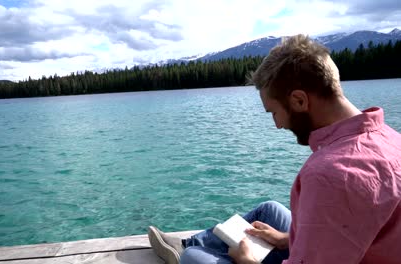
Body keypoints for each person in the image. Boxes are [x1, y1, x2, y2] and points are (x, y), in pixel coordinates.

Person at [147, 34, 401, 264]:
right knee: (269, 210)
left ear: (299, 100)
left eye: (274, 112)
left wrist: (249, 262)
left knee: (193, 260)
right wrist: (287, 239)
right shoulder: (390, 139)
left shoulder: (333, 174)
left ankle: (189, 252)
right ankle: (190, 244)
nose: (277, 125)